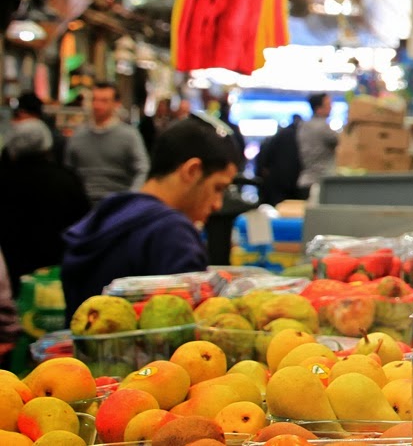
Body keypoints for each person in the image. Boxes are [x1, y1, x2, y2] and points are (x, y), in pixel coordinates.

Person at [61, 114, 239, 319]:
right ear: (192, 171)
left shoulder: (111, 209)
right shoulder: (172, 234)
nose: (218, 204)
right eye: (218, 188)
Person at [0, 102, 90, 280]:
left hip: (10, 270)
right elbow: (82, 226)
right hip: (56, 272)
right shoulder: (65, 180)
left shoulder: (4, 179)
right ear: (47, 145)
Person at [65, 83, 149, 204]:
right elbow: (69, 170)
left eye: (104, 101)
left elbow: (142, 169)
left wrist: (130, 198)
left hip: (117, 203)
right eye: (94, 100)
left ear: (116, 104)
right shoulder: (78, 135)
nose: (97, 105)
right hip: (81, 204)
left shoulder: (129, 135)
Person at [257, 115, 304, 205]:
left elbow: (265, 156)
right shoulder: (299, 137)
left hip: (275, 181)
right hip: (292, 181)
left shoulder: (280, 135)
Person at [297, 93, 338, 193]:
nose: (331, 107)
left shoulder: (304, 125)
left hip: (306, 180)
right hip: (321, 182)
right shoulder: (323, 127)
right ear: (318, 108)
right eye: (328, 104)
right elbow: (343, 142)